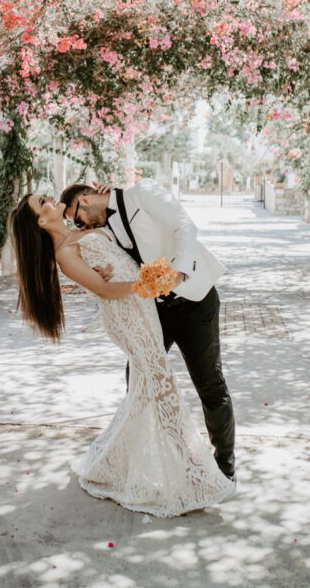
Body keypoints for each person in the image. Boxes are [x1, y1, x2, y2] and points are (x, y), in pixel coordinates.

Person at [9, 193, 235, 518]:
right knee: (162, 387)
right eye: (43, 201)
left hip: (144, 308)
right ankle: (192, 471)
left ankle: (118, 461)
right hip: (129, 316)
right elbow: (103, 290)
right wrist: (147, 284)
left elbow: (111, 225)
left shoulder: (82, 231)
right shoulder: (65, 253)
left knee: (147, 388)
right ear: (41, 222)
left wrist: (106, 194)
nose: (52, 198)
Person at [60, 178, 236, 483]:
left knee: (210, 383)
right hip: (152, 312)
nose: (81, 225)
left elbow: (184, 226)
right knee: (138, 381)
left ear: (84, 200)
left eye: (77, 218)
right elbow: (106, 262)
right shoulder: (100, 229)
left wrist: (179, 271)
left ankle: (225, 468)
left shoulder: (142, 192)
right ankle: (148, 463)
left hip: (194, 303)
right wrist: (103, 270)